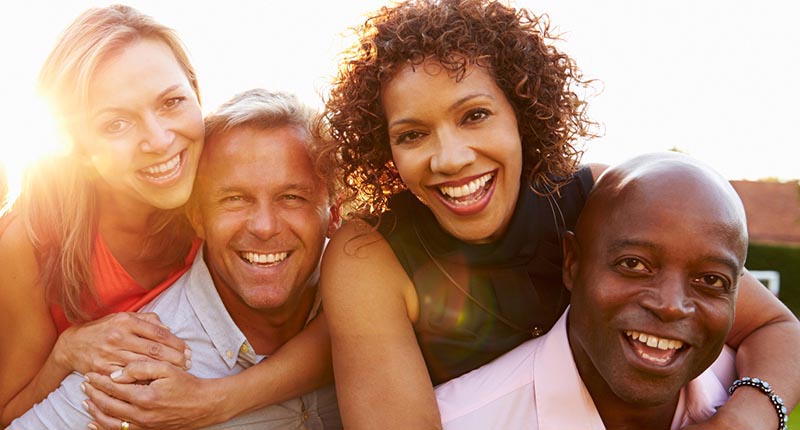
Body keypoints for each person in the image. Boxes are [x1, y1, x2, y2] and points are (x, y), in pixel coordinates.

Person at [317, 0, 800, 428]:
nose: (450, 158)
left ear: (522, 113)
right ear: (386, 150)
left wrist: (745, 418)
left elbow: (775, 327)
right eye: (412, 135)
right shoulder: (371, 255)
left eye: (475, 115)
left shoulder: (603, 197)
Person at [0, 6, 330, 429]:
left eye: (172, 102)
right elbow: (10, 411)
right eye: (116, 123)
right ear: (78, 146)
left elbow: (347, 328)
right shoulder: (32, 240)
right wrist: (66, 352)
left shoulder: (227, 188)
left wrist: (217, 401)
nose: (158, 140)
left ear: (196, 95)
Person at [435, 152, 759, 429]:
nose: (671, 306)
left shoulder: (747, 386)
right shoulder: (461, 420)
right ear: (573, 263)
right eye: (633, 264)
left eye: (712, 280)